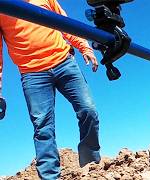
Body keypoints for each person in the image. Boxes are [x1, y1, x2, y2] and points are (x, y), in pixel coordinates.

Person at [0, 0, 101, 179]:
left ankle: (90, 165)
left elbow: (65, 23)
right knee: (43, 127)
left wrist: (84, 47)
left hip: (64, 62)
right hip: (32, 74)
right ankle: (49, 177)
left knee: (88, 110)